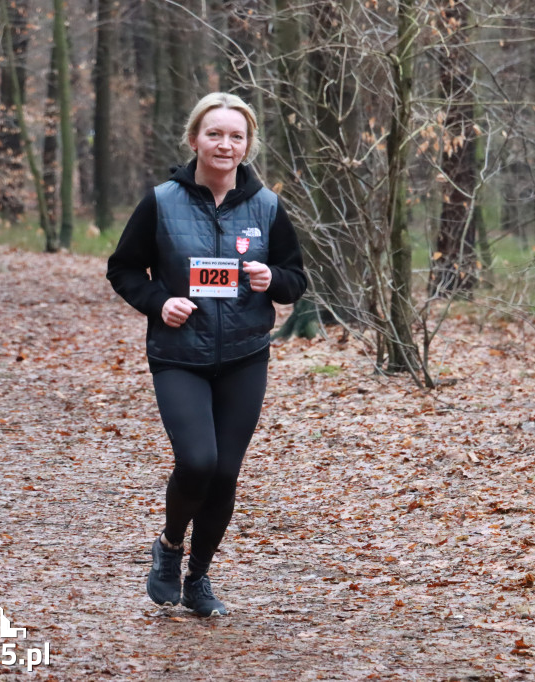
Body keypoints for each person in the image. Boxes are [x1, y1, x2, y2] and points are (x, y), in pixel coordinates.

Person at [107, 92, 307, 616]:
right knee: (197, 461)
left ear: (248, 145)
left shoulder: (266, 205)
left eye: (236, 136)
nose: (225, 144)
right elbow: (123, 269)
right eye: (214, 134)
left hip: (244, 356)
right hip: (179, 354)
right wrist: (159, 301)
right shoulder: (161, 200)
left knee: (224, 475)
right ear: (195, 138)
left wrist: (273, 279)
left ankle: (199, 578)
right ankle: (170, 548)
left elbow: (295, 281)